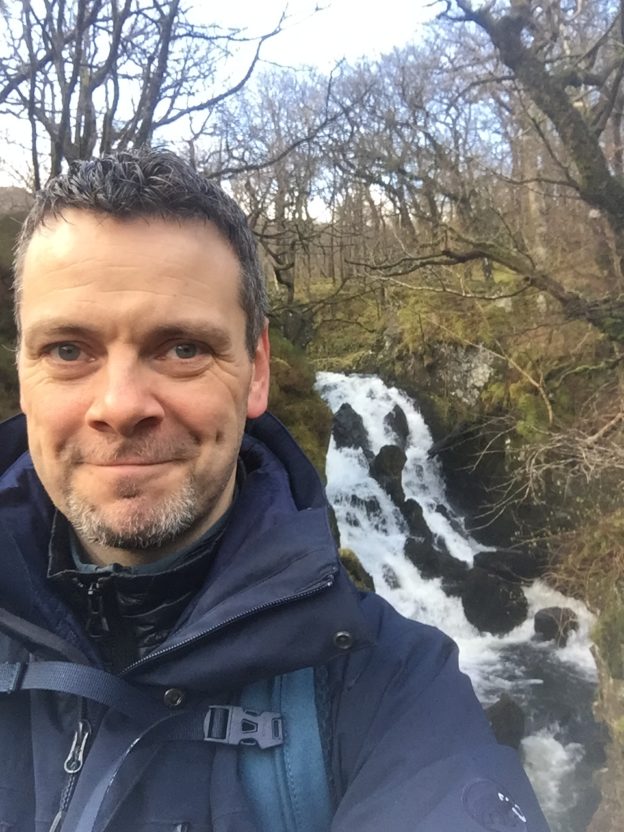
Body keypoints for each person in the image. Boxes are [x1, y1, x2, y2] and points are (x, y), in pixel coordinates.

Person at [0, 148, 550, 832]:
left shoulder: (394, 688)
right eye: (68, 350)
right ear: (24, 374)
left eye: (181, 348)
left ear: (257, 370)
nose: (119, 404)